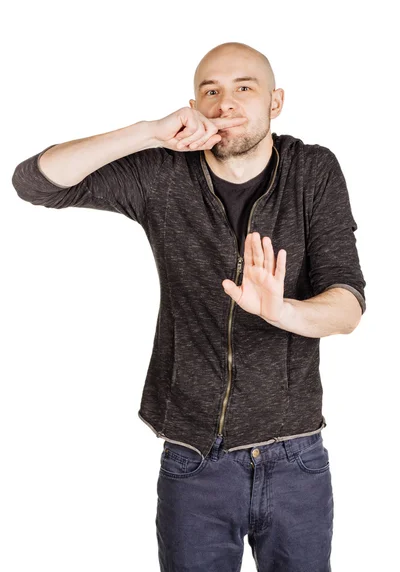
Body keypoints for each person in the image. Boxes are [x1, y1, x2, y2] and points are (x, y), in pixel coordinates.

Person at [12, 41, 366, 571]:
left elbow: (348, 304)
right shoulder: (162, 175)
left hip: (296, 457)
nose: (226, 102)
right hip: (194, 459)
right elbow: (36, 182)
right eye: (211, 91)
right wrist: (150, 131)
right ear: (195, 105)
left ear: (276, 102)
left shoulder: (312, 171)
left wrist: (281, 312)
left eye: (244, 87)